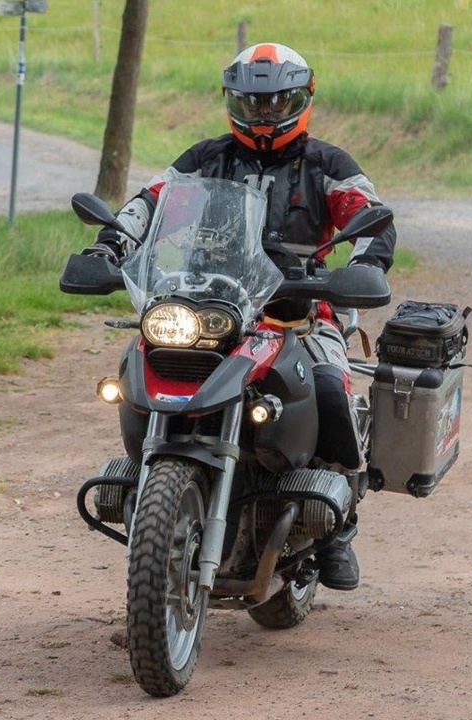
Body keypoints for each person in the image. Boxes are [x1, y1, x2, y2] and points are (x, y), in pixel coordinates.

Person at [83, 42, 397, 592]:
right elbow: (150, 203)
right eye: (252, 105)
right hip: (208, 308)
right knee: (141, 367)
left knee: (327, 386)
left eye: (277, 103)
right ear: (232, 102)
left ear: (303, 98)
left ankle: (339, 528)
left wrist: (366, 260)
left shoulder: (328, 165)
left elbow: (370, 218)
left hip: (295, 314)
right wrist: (109, 246)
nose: (264, 116)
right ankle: (155, 484)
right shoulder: (204, 159)